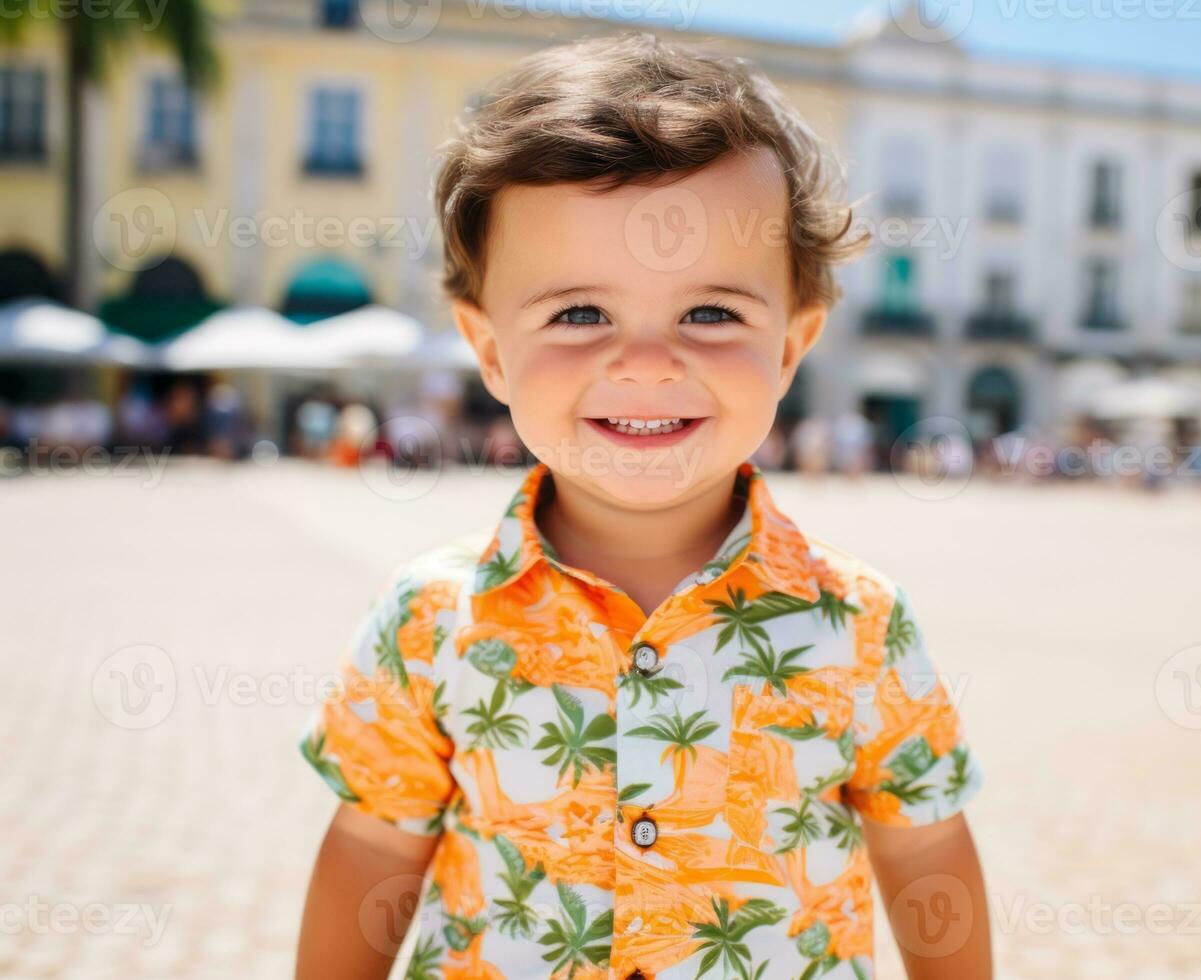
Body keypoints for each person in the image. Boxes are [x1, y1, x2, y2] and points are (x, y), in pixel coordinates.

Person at [295, 32, 990, 980]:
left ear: (791, 345)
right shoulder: (428, 618)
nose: (649, 362)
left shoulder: (860, 623)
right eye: (579, 313)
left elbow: (921, 848)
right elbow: (376, 846)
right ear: (488, 349)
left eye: (711, 313)